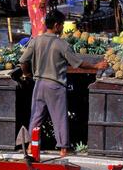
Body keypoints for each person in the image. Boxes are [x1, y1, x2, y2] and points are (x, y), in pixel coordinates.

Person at [19, 10, 107, 156]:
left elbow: (22, 61)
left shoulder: (35, 41)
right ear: (56, 25)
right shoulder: (61, 44)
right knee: (59, 117)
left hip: (39, 84)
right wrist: (96, 66)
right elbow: (78, 63)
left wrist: (28, 74)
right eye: (62, 25)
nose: (62, 28)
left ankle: (30, 147)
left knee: (36, 117)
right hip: (55, 85)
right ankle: (63, 149)